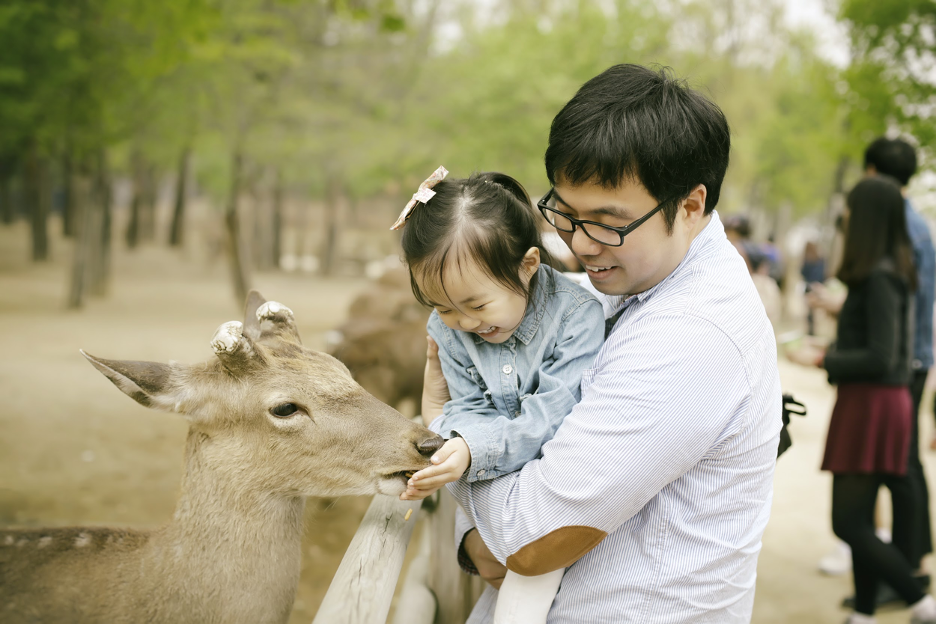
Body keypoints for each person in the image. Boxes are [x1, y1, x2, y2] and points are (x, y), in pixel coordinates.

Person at [405, 64, 782, 623]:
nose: (580, 243)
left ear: (691, 204)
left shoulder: (692, 337)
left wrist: (448, 429)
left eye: (607, 221)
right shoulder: (624, 283)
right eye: (564, 212)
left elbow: (525, 542)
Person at [393, 168, 606, 623]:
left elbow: (552, 416)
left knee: (524, 592)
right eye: (443, 307)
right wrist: (457, 440)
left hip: (553, 494)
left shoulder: (576, 319)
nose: (464, 323)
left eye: (477, 304)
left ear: (528, 265)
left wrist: (470, 450)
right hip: (490, 487)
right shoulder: (446, 330)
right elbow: (466, 404)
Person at [790, 175, 936, 624]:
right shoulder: (888, 268)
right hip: (873, 401)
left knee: (848, 523)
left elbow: (881, 354)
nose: (845, 219)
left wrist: (823, 358)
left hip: (873, 403)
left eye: (851, 210)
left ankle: (921, 602)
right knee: (861, 522)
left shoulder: (881, 275)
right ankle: (866, 612)